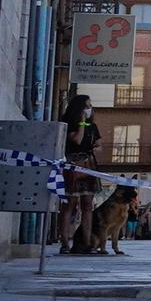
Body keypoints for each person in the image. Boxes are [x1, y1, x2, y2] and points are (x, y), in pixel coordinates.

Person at [56, 94, 101, 255]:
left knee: (87, 205)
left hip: (88, 165)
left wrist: (96, 147)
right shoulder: (69, 124)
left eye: (90, 106)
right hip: (72, 165)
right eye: (87, 106)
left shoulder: (93, 126)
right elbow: (77, 140)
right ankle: (65, 242)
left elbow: (98, 143)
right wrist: (81, 122)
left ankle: (87, 242)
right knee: (69, 204)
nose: (90, 109)